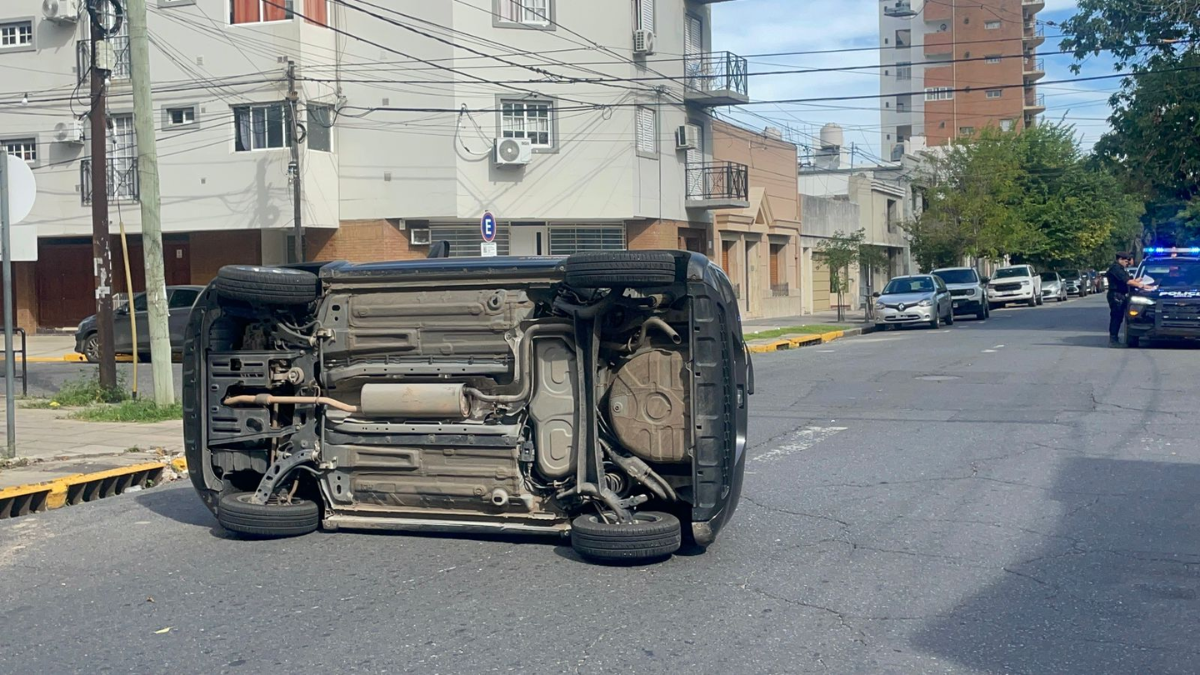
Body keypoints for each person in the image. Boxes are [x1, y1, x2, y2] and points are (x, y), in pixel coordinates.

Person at [1106, 252, 1151, 347]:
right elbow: (1127, 281)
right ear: (1120, 259)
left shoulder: (1121, 269)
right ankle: (1113, 340)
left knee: (1119, 318)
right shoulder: (1116, 268)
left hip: (1120, 295)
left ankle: (1114, 339)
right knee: (1116, 317)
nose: (1127, 263)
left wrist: (1137, 281)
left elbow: (1128, 280)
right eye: (1126, 261)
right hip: (1116, 295)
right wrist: (1142, 285)